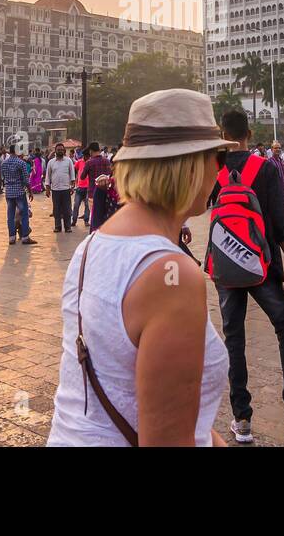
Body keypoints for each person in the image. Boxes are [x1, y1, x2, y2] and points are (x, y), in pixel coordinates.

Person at [47, 89, 232, 446]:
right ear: (192, 165)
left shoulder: (92, 245)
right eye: (217, 157)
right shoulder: (171, 275)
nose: (219, 170)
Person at [212, 109, 284, 445]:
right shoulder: (263, 167)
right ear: (249, 132)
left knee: (234, 339)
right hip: (262, 264)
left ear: (222, 132)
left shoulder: (214, 168)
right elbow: (280, 221)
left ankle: (242, 420)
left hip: (226, 265)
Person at [0, 149, 35, 246]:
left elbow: (3, 177)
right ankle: (25, 237)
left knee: (10, 216)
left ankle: (11, 237)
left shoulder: (4, 163)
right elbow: (26, 180)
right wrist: (30, 191)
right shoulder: (21, 163)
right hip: (19, 191)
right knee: (24, 215)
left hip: (9, 192)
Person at [46, 143, 75, 233]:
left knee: (67, 209)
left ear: (64, 151)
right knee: (56, 209)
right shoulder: (51, 162)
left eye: (62, 150)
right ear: (55, 151)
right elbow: (48, 175)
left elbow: (72, 174)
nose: (60, 151)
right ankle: (57, 226)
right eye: (58, 150)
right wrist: (47, 188)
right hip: (55, 190)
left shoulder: (68, 161)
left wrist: (72, 186)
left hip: (66, 189)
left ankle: (68, 227)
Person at [73, 147, 92, 229]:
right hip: (80, 187)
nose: (86, 157)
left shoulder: (91, 163)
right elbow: (74, 169)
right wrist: (74, 181)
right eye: (85, 155)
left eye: (87, 155)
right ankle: (73, 221)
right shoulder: (79, 162)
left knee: (87, 206)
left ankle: (86, 220)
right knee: (76, 205)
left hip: (88, 187)